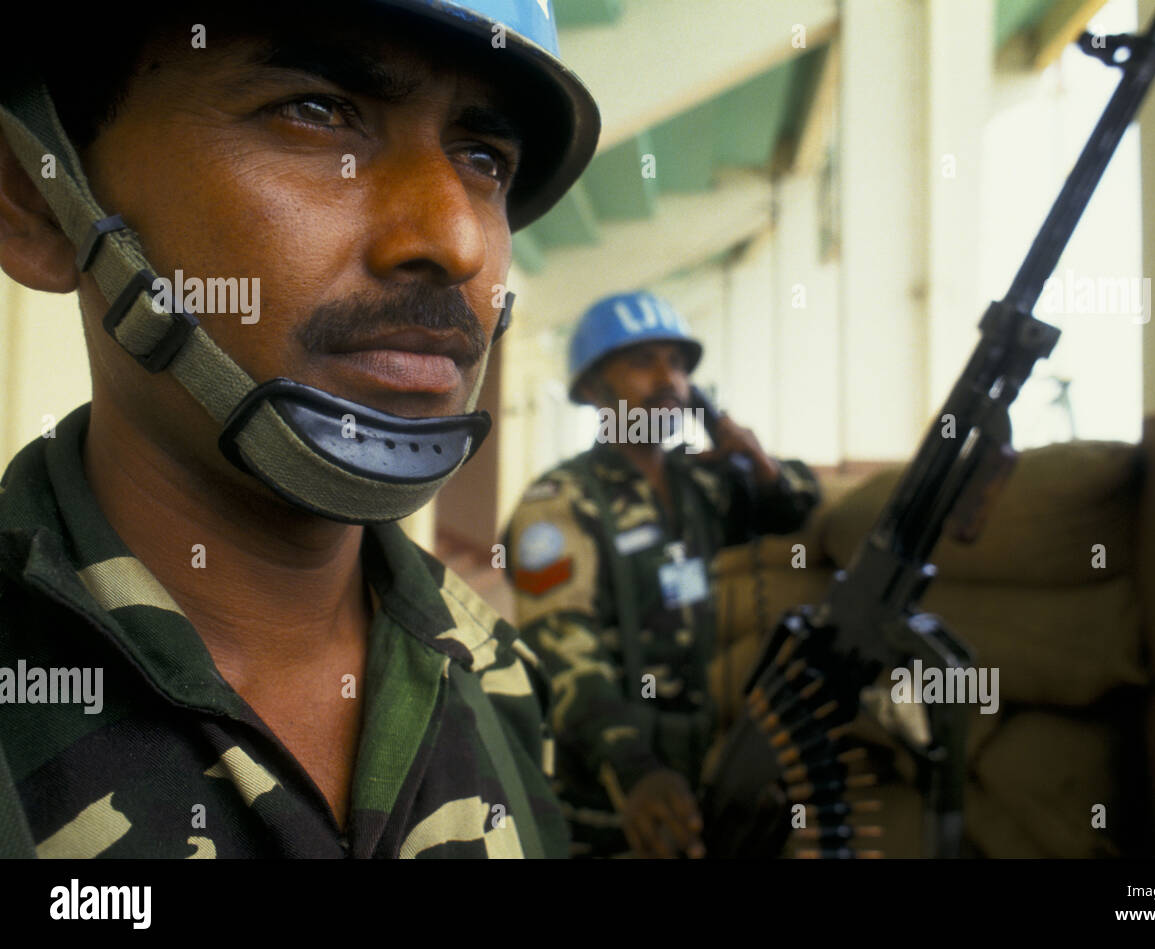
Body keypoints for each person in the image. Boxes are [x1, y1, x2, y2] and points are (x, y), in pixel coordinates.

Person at [0, 0, 600, 858]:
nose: (457, 238)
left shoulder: (495, 668)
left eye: (483, 159)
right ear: (36, 198)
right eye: (317, 112)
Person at [501, 291, 821, 857]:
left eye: (678, 364)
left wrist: (754, 458)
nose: (669, 380)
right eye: (644, 362)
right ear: (596, 389)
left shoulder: (699, 486)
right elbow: (558, 644)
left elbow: (794, 507)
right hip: (604, 793)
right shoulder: (558, 502)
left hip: (695, 768)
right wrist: (631, 767)